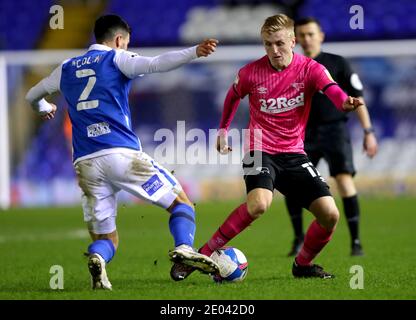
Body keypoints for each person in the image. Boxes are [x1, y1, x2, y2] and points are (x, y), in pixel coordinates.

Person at [25, 14, 220, 289]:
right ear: (119, 40)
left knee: (106, 239)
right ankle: (185, 248)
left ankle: (97, 259)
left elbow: (31, 95)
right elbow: (155, 64)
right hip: (121, 155)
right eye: (126, 44)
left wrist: (44, 108)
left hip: (86, 164)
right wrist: (194, 52)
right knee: (181, 204)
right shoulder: (116, 58)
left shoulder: (66, 67)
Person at [174, 13, 365, 281]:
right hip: (258, 150)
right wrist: (223, 130)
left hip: (294, 153)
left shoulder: (311, 69)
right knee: (258, 205)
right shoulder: (251, 72)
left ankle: (303, 265)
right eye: (267, 44)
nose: (273, 50)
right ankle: (202, 256)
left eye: (278, 43)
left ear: (292, 40)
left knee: (330, 215)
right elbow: (232, 96)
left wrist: (344, 102)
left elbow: (331, 89)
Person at [284, 17, 378, 257]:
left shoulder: (338, 64)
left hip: (335, 131)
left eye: (310, 34)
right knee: (294, 186)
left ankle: (356, 241)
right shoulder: (292, 66)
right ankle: (298, 239)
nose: (306, 39)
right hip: (302, 134)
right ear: (295, 39)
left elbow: (358, 100)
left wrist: (368, 132)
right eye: (301, 35)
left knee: (344, 181)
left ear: (321, 36)